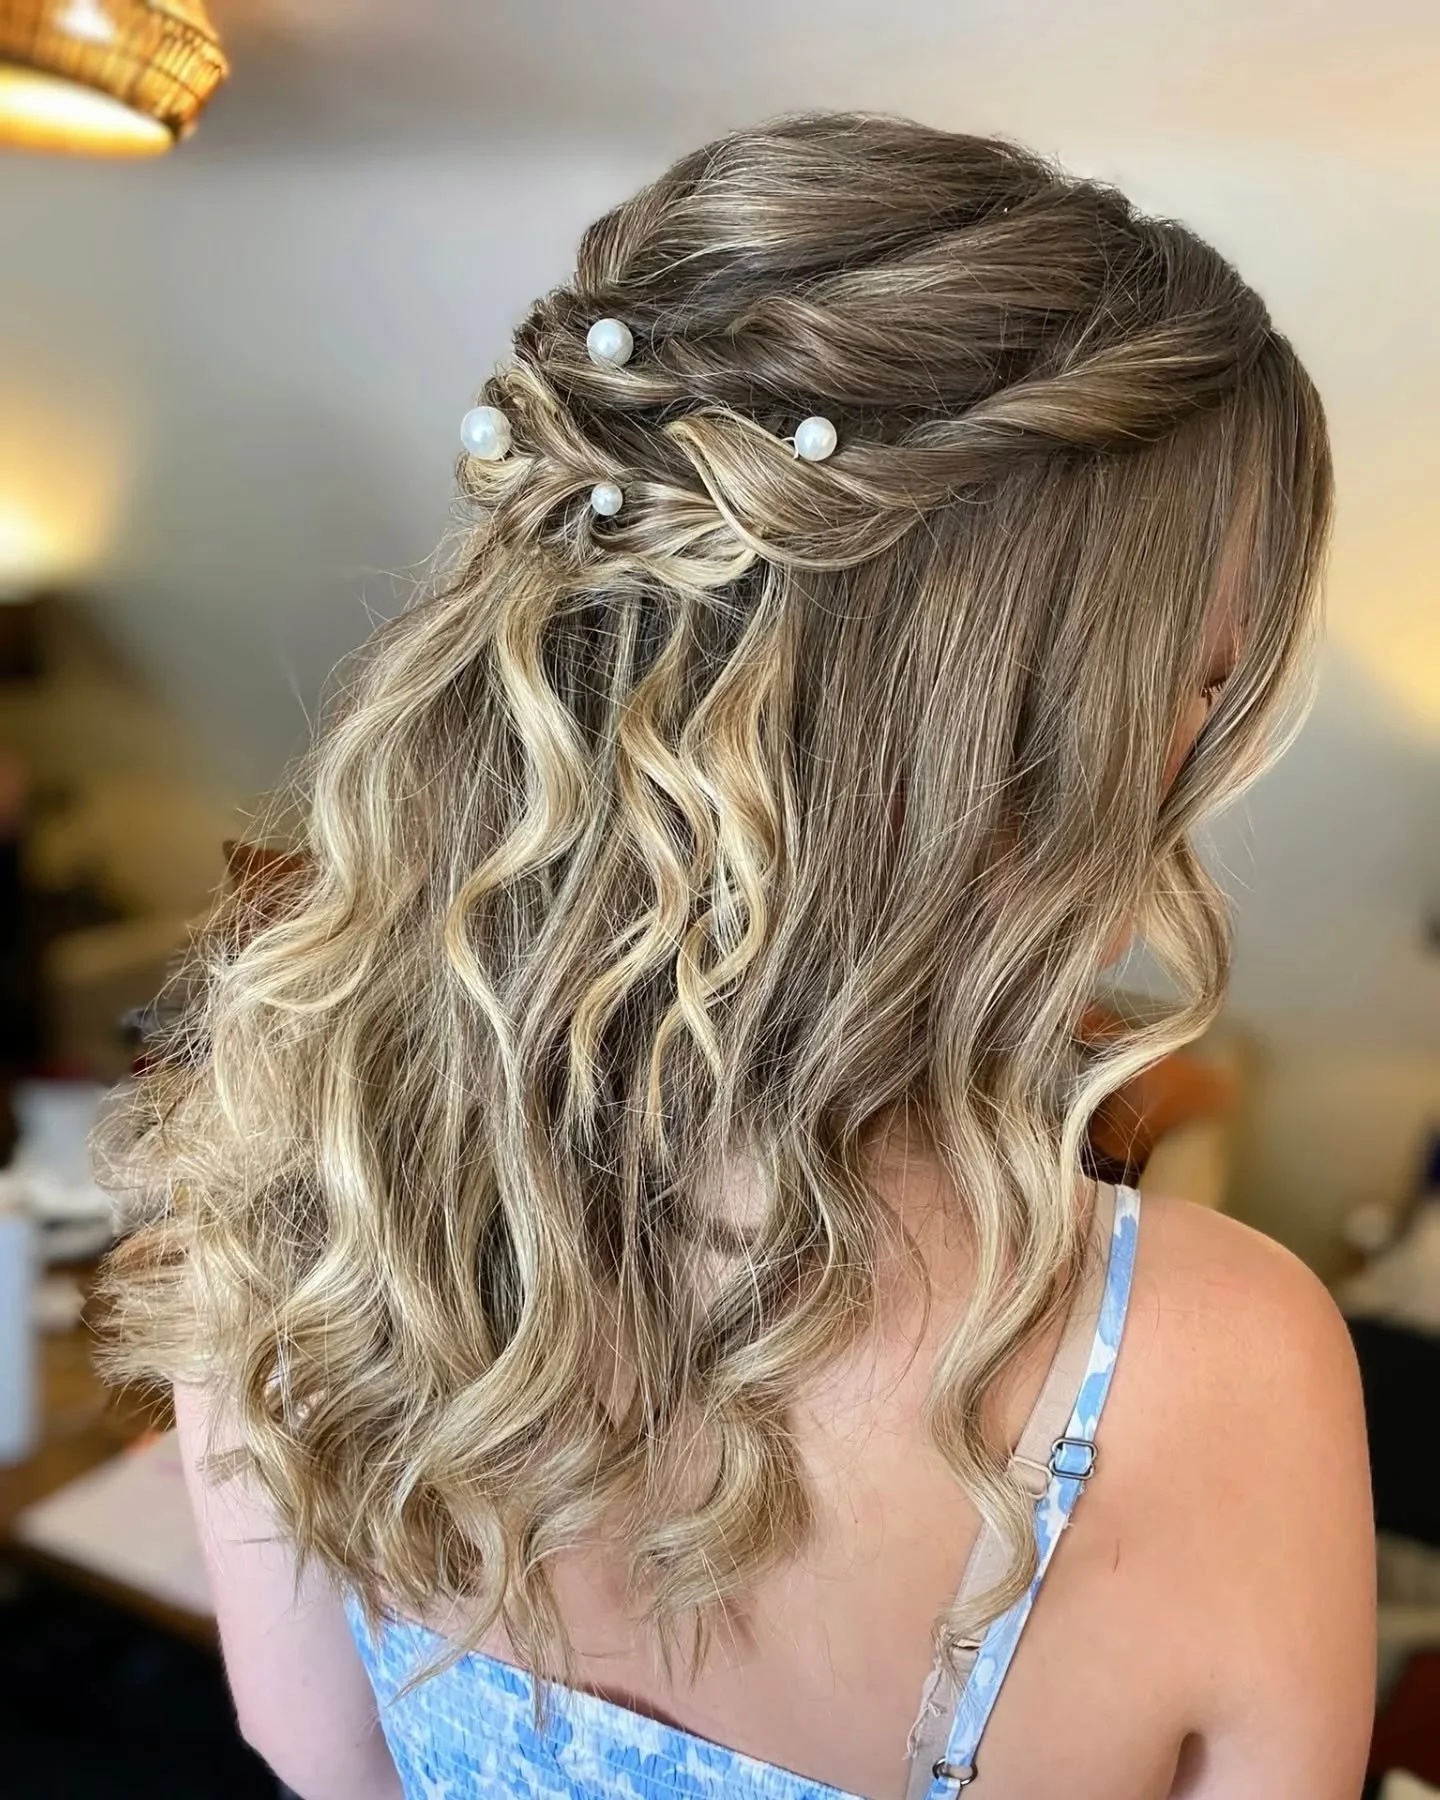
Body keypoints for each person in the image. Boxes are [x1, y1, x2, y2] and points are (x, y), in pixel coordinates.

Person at [96, 113, 1375, 1800]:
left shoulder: (287, 1206)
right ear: (1006, 744)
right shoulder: (1226, 1374)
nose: (1183, 788)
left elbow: (330, 1772)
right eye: (1189, 691)